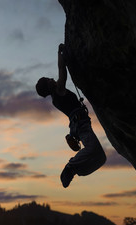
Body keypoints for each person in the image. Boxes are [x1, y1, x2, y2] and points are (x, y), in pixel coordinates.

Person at [35, 43, 106, 188]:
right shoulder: (59, 91)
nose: (52, 79)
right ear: (49, 85)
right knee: (92, 150)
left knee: (101, 158)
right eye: (49, 79)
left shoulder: (56, 97)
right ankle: (71, 167)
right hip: (80, 125)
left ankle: (76, 170)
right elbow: (62, 69)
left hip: (79, 124)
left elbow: (61, 72)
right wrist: (60, 53)